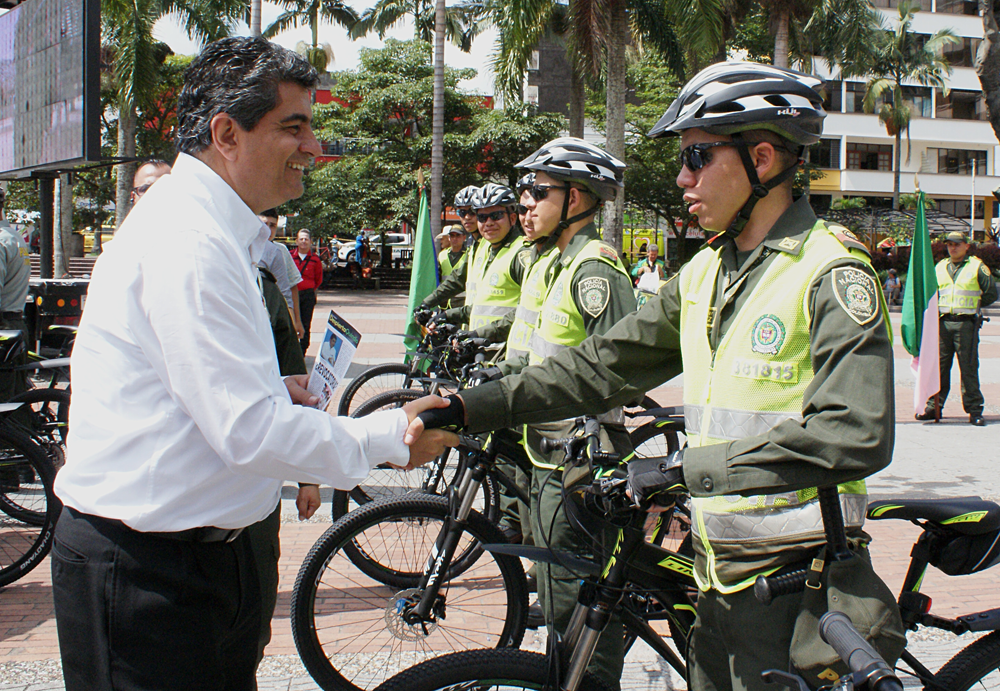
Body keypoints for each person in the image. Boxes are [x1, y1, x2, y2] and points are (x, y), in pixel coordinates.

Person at [408, 62, 903, 691]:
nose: (682, 177)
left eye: (697, 156)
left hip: (796, 588)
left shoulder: (829, 271)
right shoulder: (704, 273)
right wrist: (467, 408)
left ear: (763, 157)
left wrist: (683, 472)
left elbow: (854, 432)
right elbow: (598, 366)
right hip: (715, 575)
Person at [51, 36, 456, 691]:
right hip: (148, 573)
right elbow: (246, 429)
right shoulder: (188, 242)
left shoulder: (220, 232)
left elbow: (209, 397)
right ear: (226, 134)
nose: (313, 148)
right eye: (292, 127)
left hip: (208, 561)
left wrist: (271, 387)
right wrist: (387, 439)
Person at [916, 230, 997, 426]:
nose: (952, 247)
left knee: (968, 368)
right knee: (940, 368)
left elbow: (991, 293)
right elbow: (931, 292)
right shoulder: (940, 267)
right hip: (943, 324)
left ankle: (974, 410)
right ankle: (933, 407)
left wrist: (975, 305)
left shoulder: (976, 266)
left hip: (966, 324)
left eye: (957, 244)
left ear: (966, 246)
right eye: (949, 244)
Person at [420, 185, 480, 310]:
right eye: (462, 213)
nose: (467, 217)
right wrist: (426, 303)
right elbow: (457, 279)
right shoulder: (475, 246)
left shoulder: (487, 244)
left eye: (472, 212)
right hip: (456, 308)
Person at [0, 184, 31, 400]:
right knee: (16, 400)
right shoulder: (14, 237)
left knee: (4, 403)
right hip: (16, 324)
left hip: (4, 329)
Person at [258, 208, 305, 340]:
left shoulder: (280, 250)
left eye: (272, 226)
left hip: (275, 313)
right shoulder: (245, 246)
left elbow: (290, 288)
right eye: (264, 224)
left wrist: (296, 321)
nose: (268, 229)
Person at [292, 228, 323, 354]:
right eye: (301, 239)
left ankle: (302, 350)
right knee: (291, 322)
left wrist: (309, 289)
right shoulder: (289, 257)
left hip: (307, 295)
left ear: (310, 242)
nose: (303, 241)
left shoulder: (315, 260)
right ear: (296, 241)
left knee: (305, 323)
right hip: (291, 295)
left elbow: (318, 279)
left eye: (306, 239)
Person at [436, 225, 467, 308]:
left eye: (458, 236)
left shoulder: (470, 254)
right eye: (452, 236)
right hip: (444, 302)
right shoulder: (442, 255)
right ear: (449, 238)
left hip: (462, 303)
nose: (454, 239)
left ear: (464, 238)